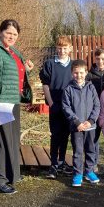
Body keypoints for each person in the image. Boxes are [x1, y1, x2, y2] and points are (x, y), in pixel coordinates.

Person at [0, 19, 34, 194]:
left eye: (15, 34)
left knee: (11, 139)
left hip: (12, 101)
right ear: (0, 31)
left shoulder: (14, 52)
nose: (11, 37)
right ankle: (0, 180)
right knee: (1, 141)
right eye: (8, 33)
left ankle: (12, 174)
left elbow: (11, 75)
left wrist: (26, 69)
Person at [39, 36, 73, 179]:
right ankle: (53, 164)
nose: (62, 50)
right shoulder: (49, 64)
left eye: (65, 48)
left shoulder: (74, 65)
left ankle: (61, 162)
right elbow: (45, 84)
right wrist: (51, 103)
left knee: (65, 135)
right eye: (59, 48)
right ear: (56, 48)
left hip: (69, 106)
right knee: (55, 134)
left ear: (70, 49)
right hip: (55, 104)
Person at [62, 60, 101, 187]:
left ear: (86, 73)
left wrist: (90, 121)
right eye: (75, 73)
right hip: (76, 127)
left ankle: (89, 171)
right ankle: (78, 173)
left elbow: (97, 105)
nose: (78, 75)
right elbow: (66, 108)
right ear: (72, 73)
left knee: (91, 150)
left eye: (81, 73)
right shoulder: (68, 89)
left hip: (90, 127)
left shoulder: (91, 87)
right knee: (78, 151)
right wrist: (77, 122)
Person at [85, 48, 104, 173]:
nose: (100, 61)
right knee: (93, 139)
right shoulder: (89, 75)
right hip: (93, 112)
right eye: (97, 59)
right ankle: (93, 163)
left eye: (103, 59)